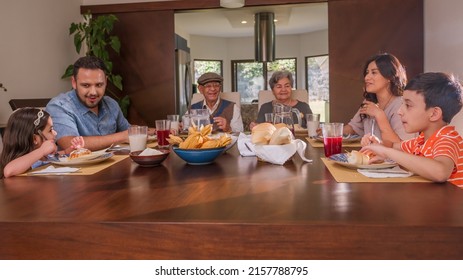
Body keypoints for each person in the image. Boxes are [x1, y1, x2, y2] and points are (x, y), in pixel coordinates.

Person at [361, 72, 463, 187]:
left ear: (434, 114)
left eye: (408, 105)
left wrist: (386, 152)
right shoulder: (420, 142)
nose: (399, 111)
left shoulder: (448, 139)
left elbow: (441, 172)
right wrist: (378, 144)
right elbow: (393, 146)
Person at [46, 56, 137, 151]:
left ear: (105, 82)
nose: (93, 92)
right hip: (77, 166)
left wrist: (151, 131)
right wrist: (122, 136)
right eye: (86, 85)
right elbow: (70, 145)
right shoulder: (58, 106)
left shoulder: (111, 104)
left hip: (113, 164)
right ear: (74, 82)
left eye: (99, 85)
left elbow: (131, 132)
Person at [344, 53, 416, 147]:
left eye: (374, 72)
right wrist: (327, 132)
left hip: (393, 161)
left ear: (389, 77)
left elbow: (403, 147)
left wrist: (379, 115)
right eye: (367, 72)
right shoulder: (369, 102)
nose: (366, 78)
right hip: (372, 159)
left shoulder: (402, 105)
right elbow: (353, 128)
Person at [0, 108, 85, 178]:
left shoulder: (44, 157)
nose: (55, 133)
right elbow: (8, 171)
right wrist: (42, 150)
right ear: (35, 139)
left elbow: (61, 154)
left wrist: (72, 149)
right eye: (50, 130)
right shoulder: (29, 161)